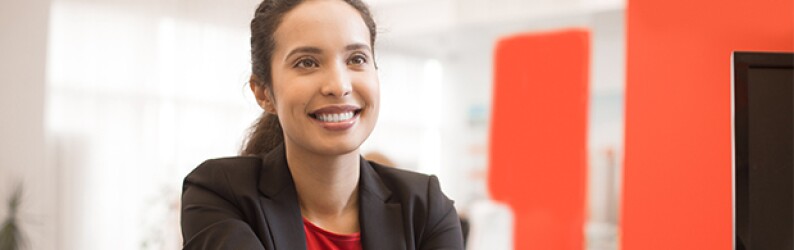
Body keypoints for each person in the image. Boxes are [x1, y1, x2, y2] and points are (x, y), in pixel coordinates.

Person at [179, 0, 464, 249]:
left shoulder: (425, 208)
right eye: (307, 63)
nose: (339, 86)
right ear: (263, 92)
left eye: (357, 59)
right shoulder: (219, 193)